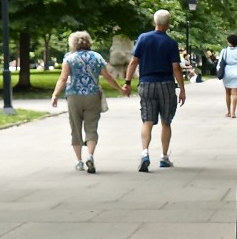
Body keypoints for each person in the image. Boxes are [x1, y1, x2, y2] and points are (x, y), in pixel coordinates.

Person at [50, 30, 123, 174]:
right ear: (89, 42)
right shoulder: (97, 57)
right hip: (92, 96)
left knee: (75, 128)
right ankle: (90, 155)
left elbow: (63, 78)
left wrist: (55, 94)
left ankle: (79, 161)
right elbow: (108, 77)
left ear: (73, 43)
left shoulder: (69, 59)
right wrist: (120, 89)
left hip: (74, 96)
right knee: (91, 127)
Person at [121, 9, 186, 172]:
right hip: (165, 84)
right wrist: (182, 89)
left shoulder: (143, 38)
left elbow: (134, 61)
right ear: (168, 24)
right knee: (166, 121)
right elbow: (176, 67)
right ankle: (164, 157)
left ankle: (144, 153)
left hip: (146, 83)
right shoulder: (171, 43)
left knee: (147, 120)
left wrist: (127, 82)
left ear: (154, 22)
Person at [218, 34, 237, 118]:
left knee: (227, 93)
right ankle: (233, 112)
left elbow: (219, 63)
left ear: (229, 41)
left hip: (227, 71)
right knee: (235, 93)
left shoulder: (224, 51)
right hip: (236, 71)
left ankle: (228, 111)